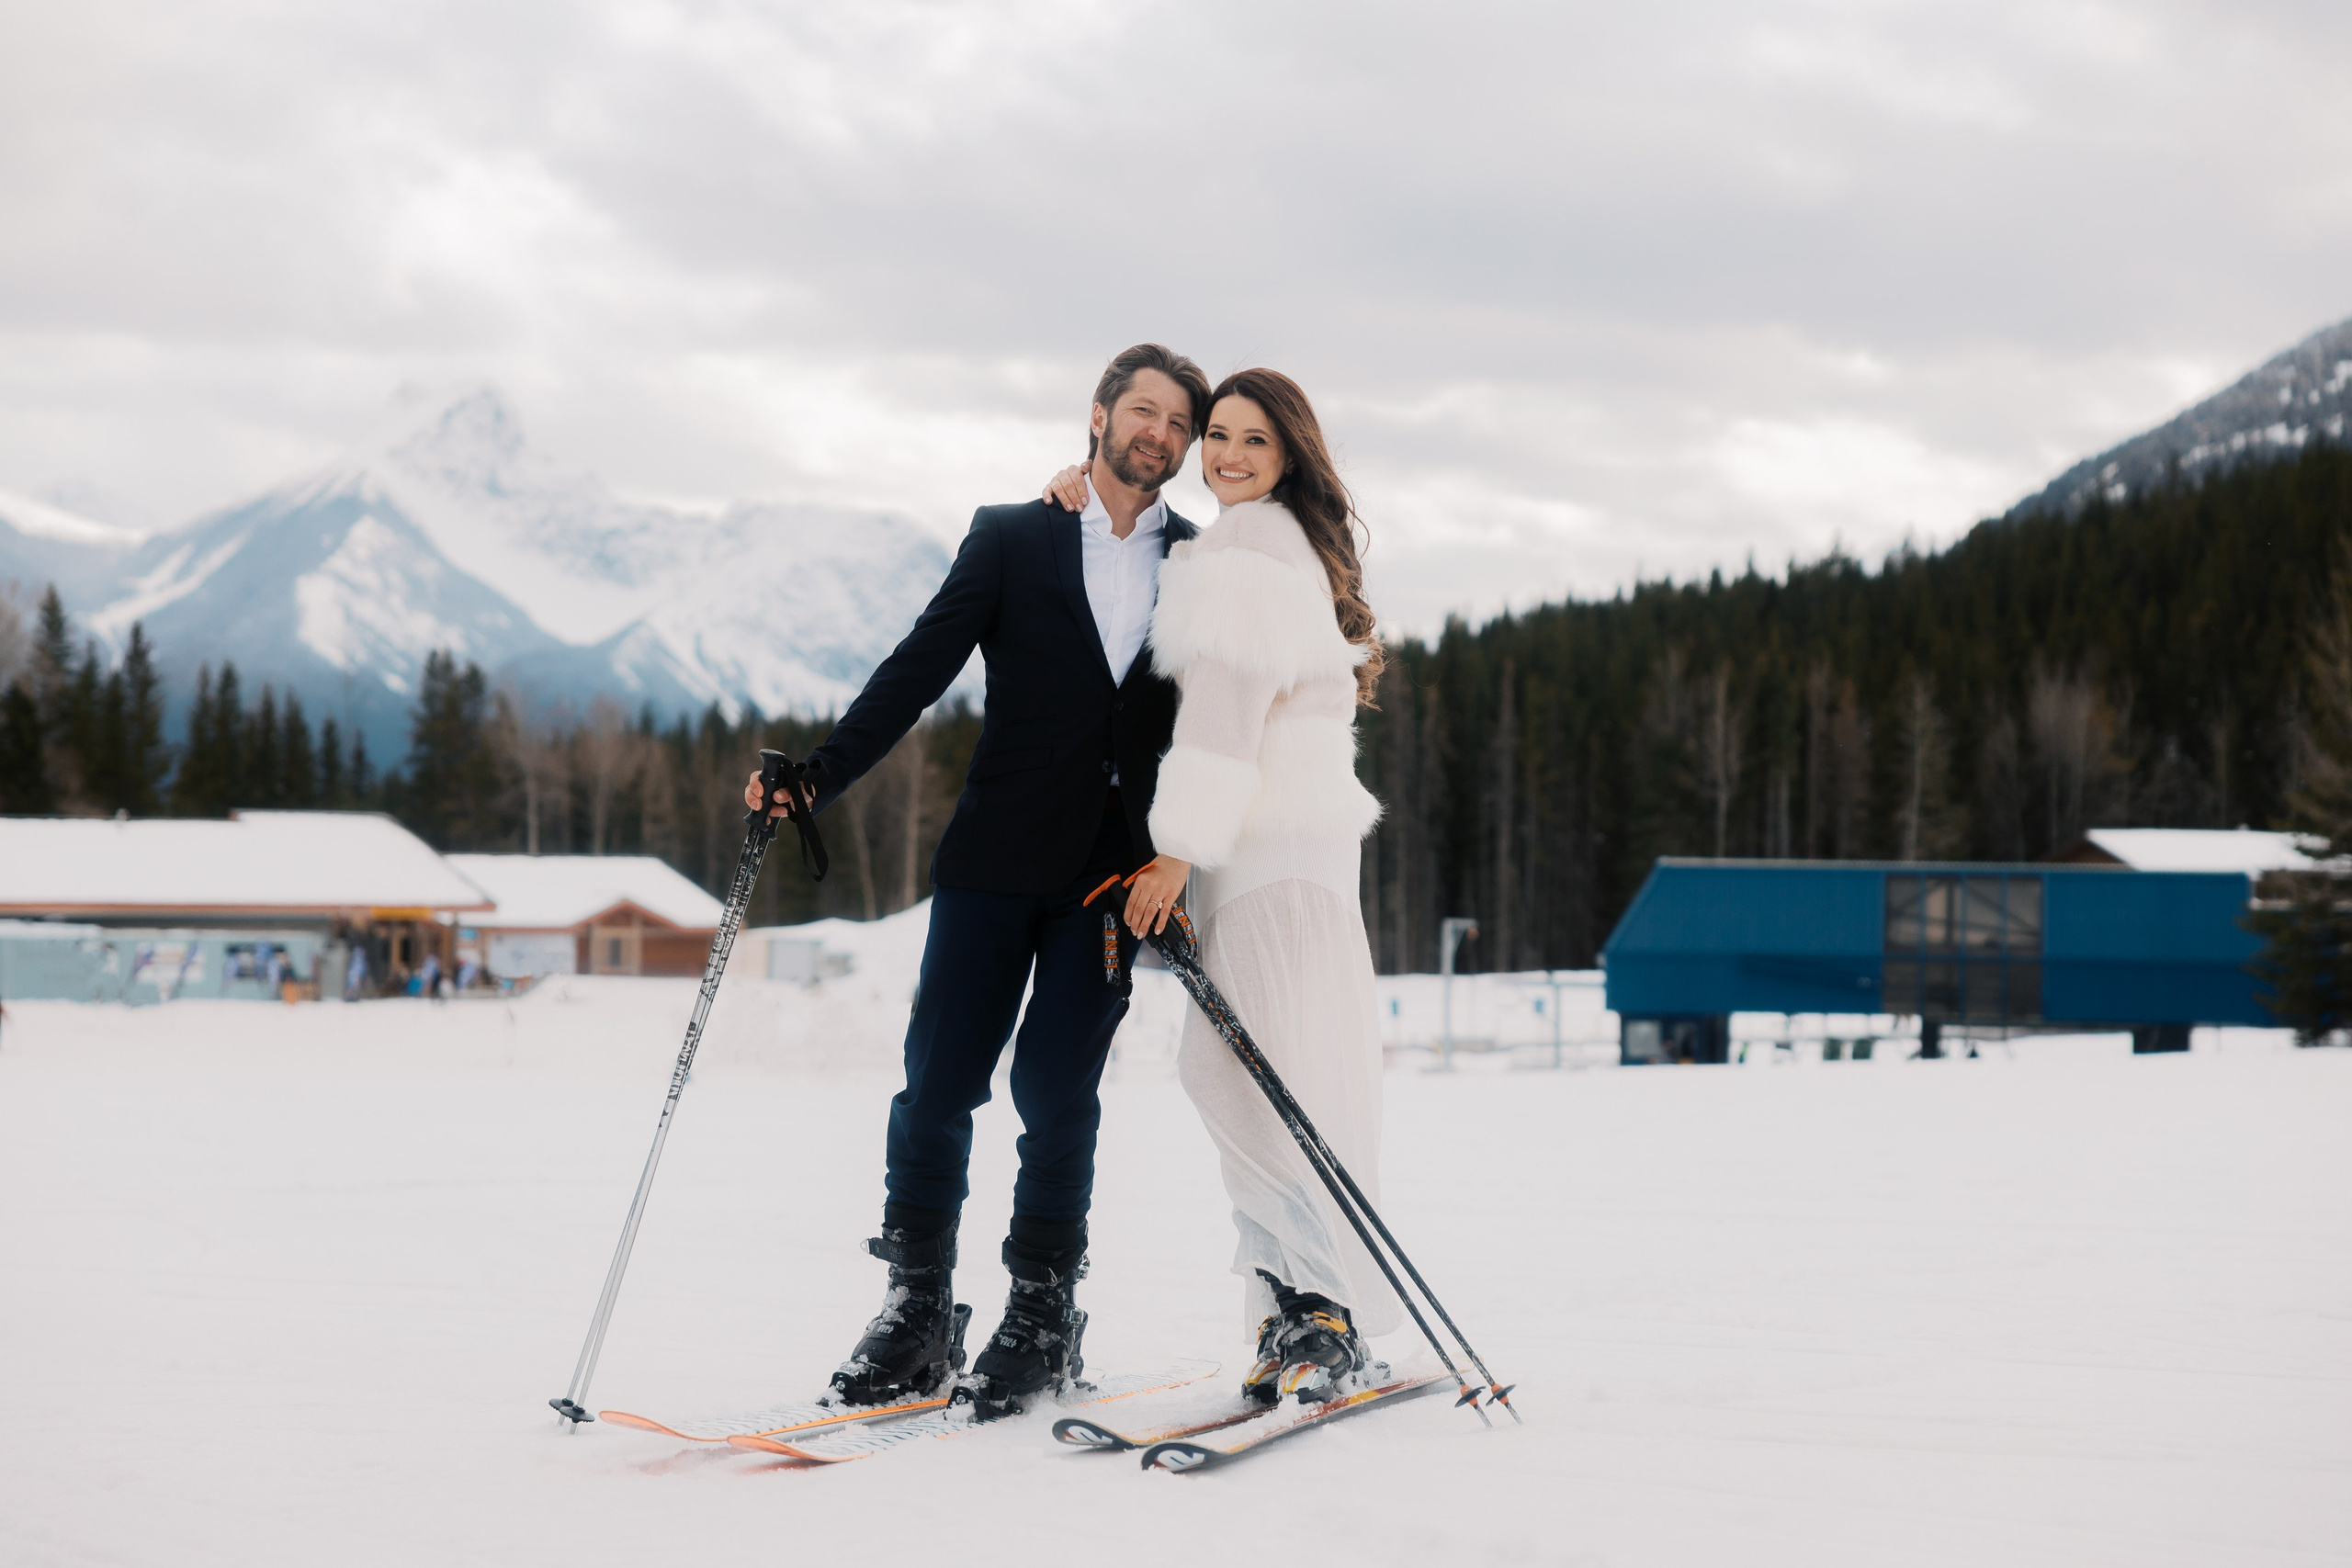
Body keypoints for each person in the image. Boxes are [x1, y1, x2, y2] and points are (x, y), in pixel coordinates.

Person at [746, 344, 1214, 1416]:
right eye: (1142, 410)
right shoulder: (1010, 535)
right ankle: (917, 1309)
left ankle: (1043, 1313)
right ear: (1095, 417)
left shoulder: (1201, 564)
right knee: (939, 1083)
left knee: (1056, 1092)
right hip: (993, 861)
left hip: (1111, 878)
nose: (1161, 433)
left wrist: (1192, 854)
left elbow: (1222, 721)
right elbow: (918, 667)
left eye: (1178, 423)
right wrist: (818, 777)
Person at [1039, 367, 1395, 1406]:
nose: (1228, 456)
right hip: (1305, 853)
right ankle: (1303, 1306)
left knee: (1233, 1076)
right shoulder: (1275, 542)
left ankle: (1315, 1306)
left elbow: (1225, 718)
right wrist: (1075, 489)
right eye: (1218, 438)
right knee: (1281, 1076)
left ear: (1289, 456)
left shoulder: (1241, 553)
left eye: (1253, 441)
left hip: (1261, 852)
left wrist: (1175, 851)